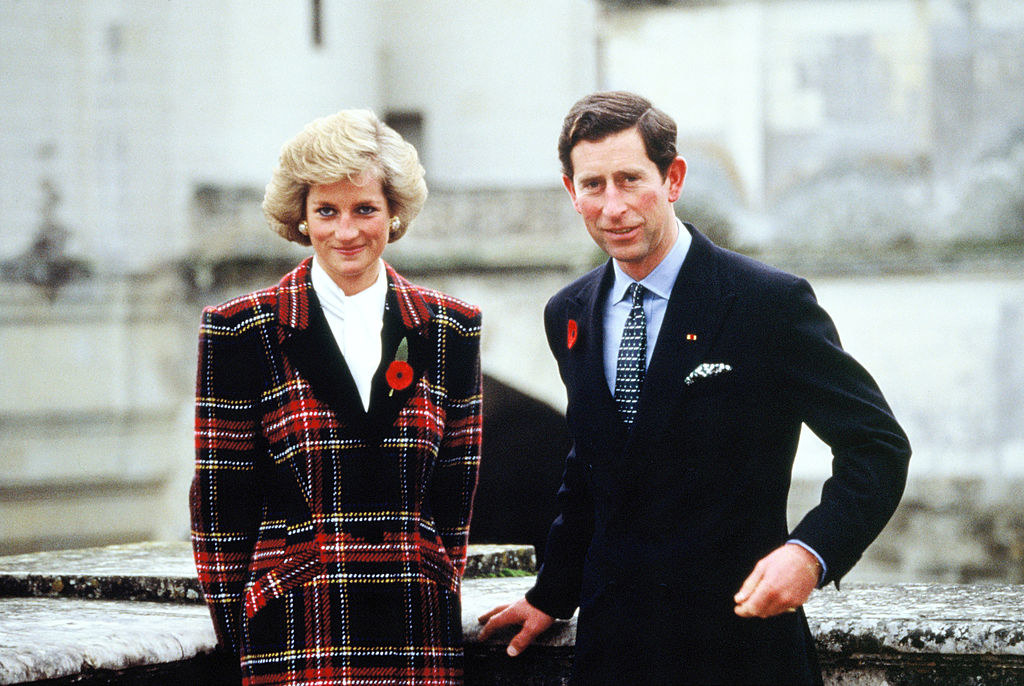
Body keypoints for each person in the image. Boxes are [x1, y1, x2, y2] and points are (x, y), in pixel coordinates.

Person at [478, 91, 911, 685]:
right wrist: (551, 595)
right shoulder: (569, 313)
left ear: (673, 178)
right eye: (594, 185)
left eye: (630, 180)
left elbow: (877, 449)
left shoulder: (766, 302)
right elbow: (589, 473)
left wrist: (809, 553)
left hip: (739, 648)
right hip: (613, 655)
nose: (613, 207)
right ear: (570, 191)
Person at [189, 110, 482, 685]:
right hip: (297, 638)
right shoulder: (240, 329)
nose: (346, 231)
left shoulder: (451, 327)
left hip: (417, 632)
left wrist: (437, 583)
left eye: (364, 209)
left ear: (392, 211)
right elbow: (222, 505)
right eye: (327, 210)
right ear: (301, 216)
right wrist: (244, 630)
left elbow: (456, 491)